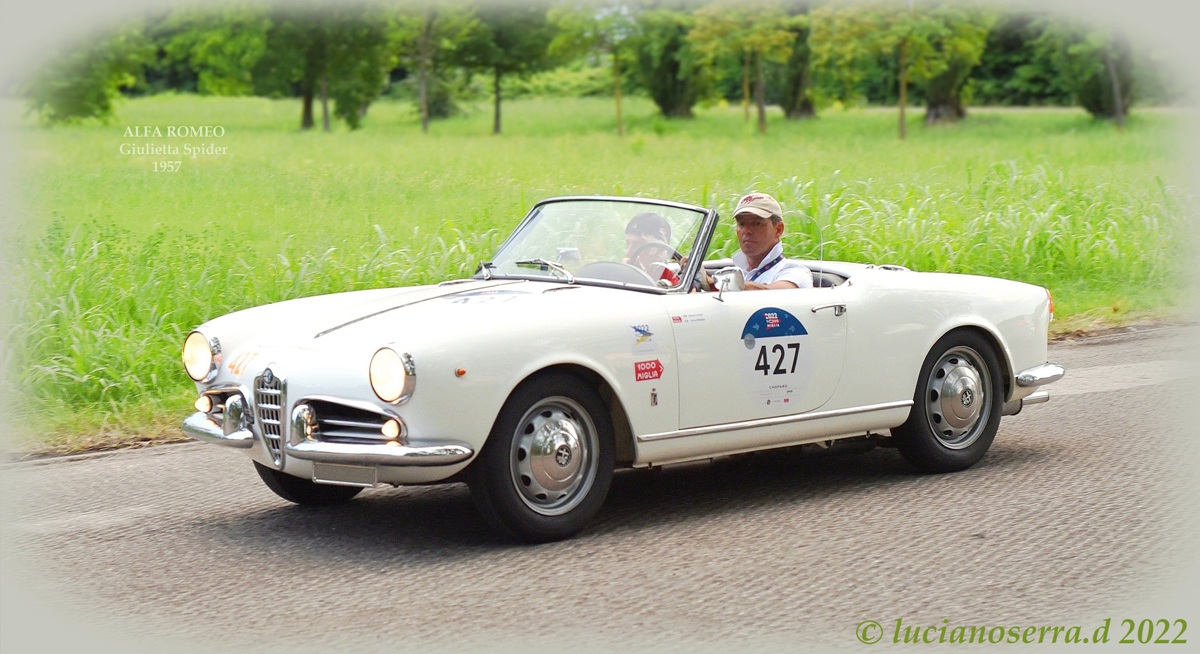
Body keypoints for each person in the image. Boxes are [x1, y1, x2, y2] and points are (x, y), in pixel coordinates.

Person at [707, 192, 812, 291]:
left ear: (778, 229)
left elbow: (775, 294)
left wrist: (714, 284)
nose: (747, 230)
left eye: (756, 224)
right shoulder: (730, 271)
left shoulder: (796, 273)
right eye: (742, 224)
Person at [624, 212, 680, 285]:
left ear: (655, 248)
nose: (628, 253)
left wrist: (640, 276)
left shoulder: (672, 279)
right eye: (627, 244)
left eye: (637, 245)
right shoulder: (622, 272)